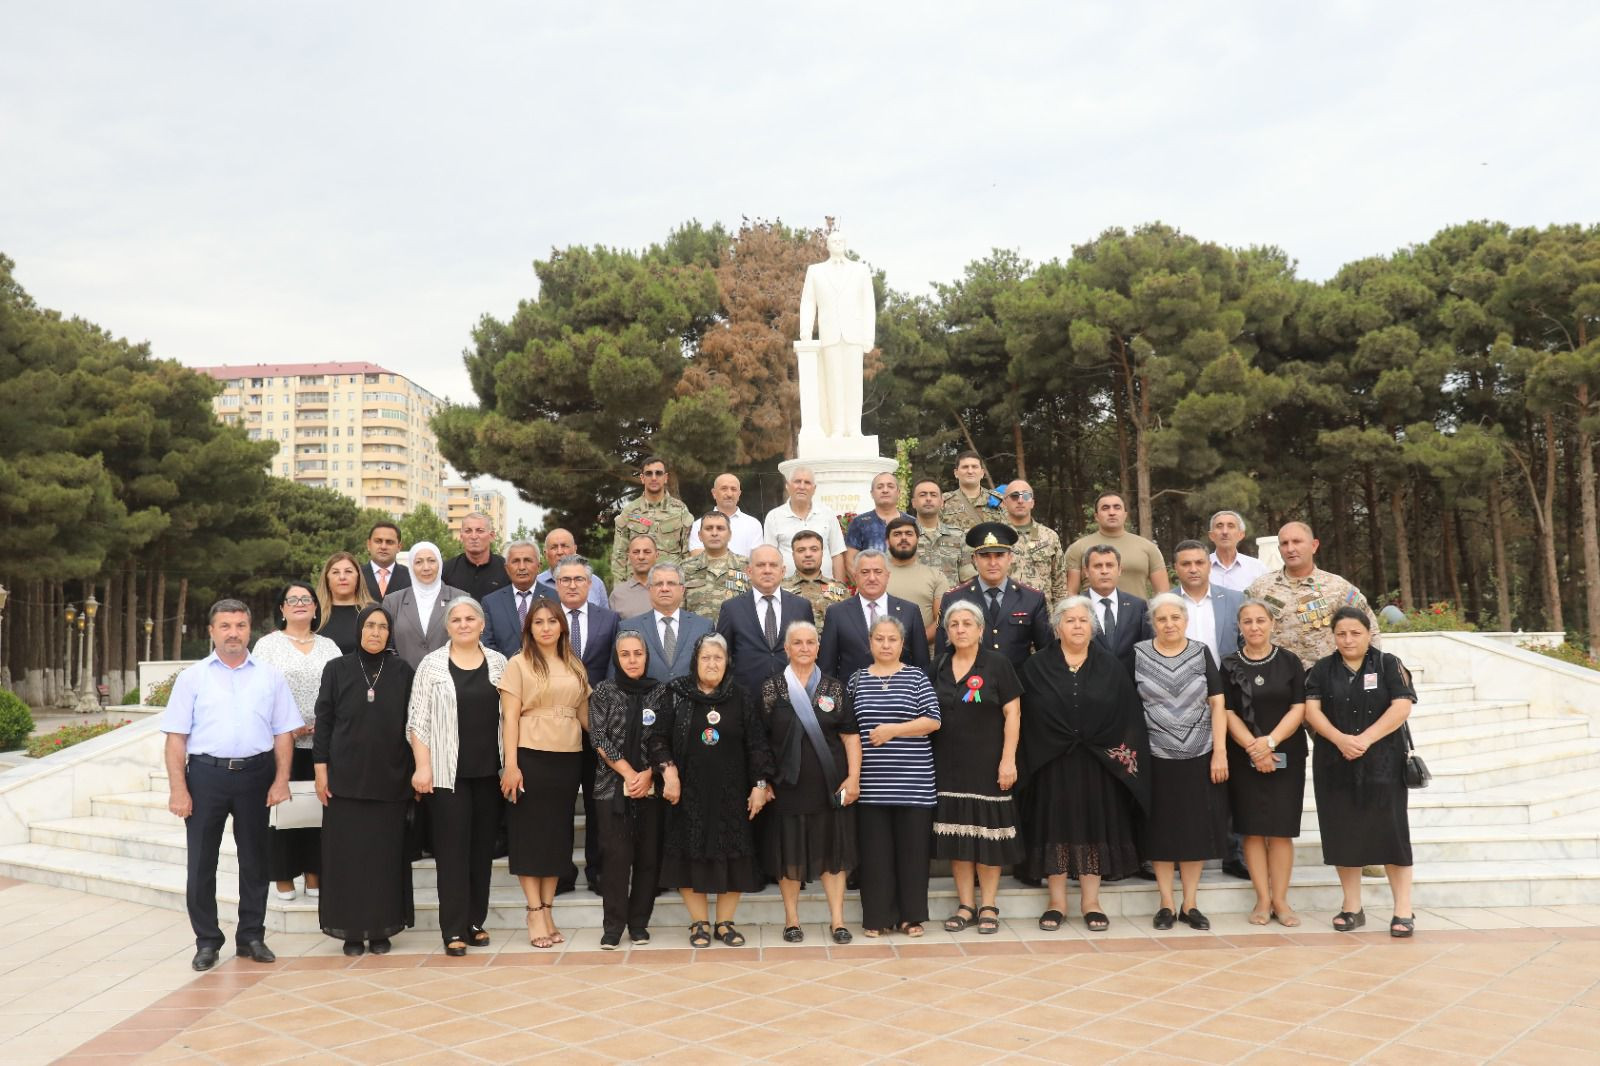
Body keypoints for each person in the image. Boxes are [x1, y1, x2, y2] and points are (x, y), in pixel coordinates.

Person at [160, 599, 300, 971]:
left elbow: (284, 733)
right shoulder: (193, 677)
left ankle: (251, 935)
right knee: (201, 863)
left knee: (255, 860)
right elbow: (176, 738)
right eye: (225, 626)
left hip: (257, 775)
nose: (233, 633)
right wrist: (179, 789)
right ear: (211, 631)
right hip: (206, 776)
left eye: (240, 625)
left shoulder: (269, 676)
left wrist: (281, 780)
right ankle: (207, 941)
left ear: (249, 628)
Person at [1019, 597, 1150, 933]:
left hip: (1098, 763)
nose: (1077, 626)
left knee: (1095, 828)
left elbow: (1126, 714)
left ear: (1093, 626)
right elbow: (1028, 716)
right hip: (1052, 762)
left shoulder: (1110, 666)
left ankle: (1091, 902)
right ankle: (1057, 901)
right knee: (1055, 828)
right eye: (1069, 620)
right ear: (1056, 627)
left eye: (1083, 620)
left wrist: (1105, 746)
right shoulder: (1036, 666)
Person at [648, 634, 776, 947]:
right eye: (706, 658)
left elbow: (758, 745)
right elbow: (657, 738)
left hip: (732, 793)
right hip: (687, 791)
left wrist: (760, 785)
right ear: (695, 661)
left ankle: (725, 923)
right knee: (689, 853)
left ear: (727, 662)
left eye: (718, 658)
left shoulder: (741, 696)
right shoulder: (676, 693)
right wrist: (668, 771)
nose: (712, 664)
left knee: (734, 855)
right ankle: (699, 923)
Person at [1303, 607, 1417, 937]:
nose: (1348, 639)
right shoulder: (1321, 670)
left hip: (1383, 761)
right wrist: (1340, 739)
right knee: (1344, 832)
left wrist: (1365, 739)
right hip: (1335, 761)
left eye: (1355, 633)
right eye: (1341, 634)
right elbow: (1312, 710)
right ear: (1333, 637)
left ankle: (1403, 910)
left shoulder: (1387, 664)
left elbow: (1402, 706)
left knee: (1392, 833)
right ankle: (1352, 906)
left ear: (1369, 634)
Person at [312, 605, 416, 956]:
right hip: (344, 781)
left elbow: (414, 725)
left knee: (385, 858)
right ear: (359, 630)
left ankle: (382, 928)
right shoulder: (337, 669)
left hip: (391, 779)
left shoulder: (402, 670)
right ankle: (352, 931)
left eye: (382, 627)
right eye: (369, 626)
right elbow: (323, 721)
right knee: (348, 859)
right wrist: (320, 770)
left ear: (390, 633)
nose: (375, 632)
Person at [407, 597, 507, 956]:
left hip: (488, 775)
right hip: (448, 776)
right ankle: (453, 928)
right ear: (447, 627)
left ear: (482, 624)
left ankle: (475, 920)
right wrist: (422, 766)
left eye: (470, 618)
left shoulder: (499, 663)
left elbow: (509, 718)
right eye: (456, 620)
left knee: (481, 853)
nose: (464, 624)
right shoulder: (431, 666)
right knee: (452, 854)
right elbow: (417, 722)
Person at [760, 621, 860, 944]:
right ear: (786, 649)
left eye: (810, 643)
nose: (804, 648)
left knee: (833, 855)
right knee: (789, 856)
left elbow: (850, 737)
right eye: (797, 643)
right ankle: (792, 921)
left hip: (829, 787)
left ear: (818, 648)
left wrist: (853, 777)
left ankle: (838, 921)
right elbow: (760, 742)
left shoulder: (835, 688)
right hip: (787, 787)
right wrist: (763, 781)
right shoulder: (772, 688)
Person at [498, 599, 590, 948]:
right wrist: (511, 764)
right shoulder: (518, 664)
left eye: (553, 621)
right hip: (530, 756)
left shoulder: (574, 664)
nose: (547, 627)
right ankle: (533, 911)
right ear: (529, 628)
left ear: (562, 627)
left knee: (556, 838)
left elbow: (585, 717)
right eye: (539, 622)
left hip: (567, 759)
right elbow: (509, 717)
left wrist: (614, 745)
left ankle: (548, 909)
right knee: (530, 836)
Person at [1134, 593, 1229, 931]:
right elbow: (1130, 707)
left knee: (1193, 831)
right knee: (1160, 831)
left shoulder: (1200, 652)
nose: (1169, 624)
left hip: (1199, 754)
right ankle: (1166, 903)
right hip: (1155, 757)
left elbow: (1218, 703)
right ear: (1153, 623)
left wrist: (1220, 751)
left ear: (1186, 620)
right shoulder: (1139, 654)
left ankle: (1190, 903)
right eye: (1162, 619)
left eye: (1175, 617)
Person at [931, 601, 1023, 935]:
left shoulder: (997, 664)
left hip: (988, 764)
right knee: (959, 836)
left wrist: (1008, 759)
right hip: (947, 766)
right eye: (953, 624)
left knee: (987, 838)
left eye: (967, 623)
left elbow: (1013, 713)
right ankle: (966, 904)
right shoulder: (938, 664)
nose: (960, 629)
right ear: (947, 632)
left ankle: (988, 905)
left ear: (981, 630)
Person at [250, 582, 342, 902]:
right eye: (293, 600)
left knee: (319, 806)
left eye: (307, 599)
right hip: (281, 742)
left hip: (323, 743)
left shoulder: (330, 646)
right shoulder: (266, 646)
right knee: (285, 807)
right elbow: (258, 694)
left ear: (316, 608)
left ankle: (315, 873)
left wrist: (324, 726)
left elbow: (341, 692)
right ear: (282, 609)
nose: (300, 603)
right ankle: (284, 875)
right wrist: (288, 726)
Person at [849, 616, 940, 936]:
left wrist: (893, 731)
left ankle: (910, 917)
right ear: (870, 642)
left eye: (892, 639)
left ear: (902, 644)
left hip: (913, 783)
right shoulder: (856, 680)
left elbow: (933, 720)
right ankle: (877, 918)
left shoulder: (916, 677)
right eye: (880, 639)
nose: (886, 645)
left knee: (913, 854)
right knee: (875, 856)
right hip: (872, 784)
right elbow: (849, 730)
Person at [1221, 600, 1308, 927]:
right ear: (1239, 627)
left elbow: (1298, 708)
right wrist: (1254, 748)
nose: (1254, 627)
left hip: (1287, 752)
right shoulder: (1228, 664)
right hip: (1244, 756)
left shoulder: (1289, 662)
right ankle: (1262, 899)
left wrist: (1269, 743)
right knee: (1253, 832)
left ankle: (1281, 901)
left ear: (1272, 623)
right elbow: (1227, 711)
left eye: (1260, 620)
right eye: (1247, 621)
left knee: (1281, 831)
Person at [1172, 538, 1247, 879]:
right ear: (1176, 568)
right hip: (1178, 704)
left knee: (1231, 775)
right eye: (1186, 563)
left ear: (1208, 565)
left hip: (1228, 700)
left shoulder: (1234, 600)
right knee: (1184, 782)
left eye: (1199, 562)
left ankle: (1234, 852)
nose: (1193, 569)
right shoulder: (1166, 604)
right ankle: (1182, 849)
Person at [588, 632, 667, 948]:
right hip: (611, 787)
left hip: (652, 787)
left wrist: (648, 775)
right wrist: (630, 774)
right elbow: (599, 737)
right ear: (616, 658)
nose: (632, 660)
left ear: (646, 657)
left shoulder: (660, 692)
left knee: (648, 858)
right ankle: (613, 927)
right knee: (616, 859)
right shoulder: (605, 691)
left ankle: (639, 924)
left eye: (638, 653)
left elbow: (664, 737)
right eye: (625, 654)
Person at [550, 556, 618, 894]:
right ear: (556, 584)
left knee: (597, 802)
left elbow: (612, 669)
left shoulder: (609, 619)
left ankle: (598, 871)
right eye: (566, 580)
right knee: (560, 803)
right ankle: (561, 872)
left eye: (579, 579)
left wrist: (602, 717)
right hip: (556, 725)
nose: (573, 585)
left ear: (590, 585)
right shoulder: (544, 621)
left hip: (597, 725)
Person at [1246, 522, 1380, 669]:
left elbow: (1370, 627)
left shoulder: (1338, 587)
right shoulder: (1260, 588)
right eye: (1284, 544)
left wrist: (1370, 669)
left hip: (1323, 679)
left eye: (1297, 541)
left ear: (1314, 546)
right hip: (1276, 678)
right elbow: (1243, 631)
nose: (1290, 549)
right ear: (1279, 549)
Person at [935, 523, 1051, 667]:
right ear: (974, 559)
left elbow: (1047, 653)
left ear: (1010, 558)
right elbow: (942, 656)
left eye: (999, 555)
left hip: (1019, 685)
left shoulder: (1032, 598)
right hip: (971, 685)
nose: (993, 562)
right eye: (985, 556)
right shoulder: (954, 598)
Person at [798, 230, 876, 439]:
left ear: (846, 243)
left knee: (854, 382)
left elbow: (868, 304)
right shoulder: (815, 271)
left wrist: (868, 336)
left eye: (841, 240)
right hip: (829, 334)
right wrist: (805, 329)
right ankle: (837, 429)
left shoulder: (860, 270)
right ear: (827, 245)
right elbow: (808, 301)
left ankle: (854, 428)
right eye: (834, 241)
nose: (838, 243)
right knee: (833, 382)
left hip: (854, 335)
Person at [716, 544, 815, 699]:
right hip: (745, 698)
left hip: (794, 697)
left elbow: (811, 652)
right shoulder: (731, 609)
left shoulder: (801, 607)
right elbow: (722, 655)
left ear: (782, 571)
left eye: (773, 565)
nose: (767, 570)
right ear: (749, 571)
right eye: (761, 565)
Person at [819, 550, 930, 682]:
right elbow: (827, 668)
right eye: (865, 572)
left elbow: (922, 664)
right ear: (855, 576)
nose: (872, 578)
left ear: (888, 576)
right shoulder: (836, 613)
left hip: (901, 697)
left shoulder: (910, 611)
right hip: (852, 698)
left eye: (878, 572)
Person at [617, 563, 713, 683]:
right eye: (658, 584)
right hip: (645, 700)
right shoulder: (629, 627)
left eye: (671, 583)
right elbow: (617, 677)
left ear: (682, 589)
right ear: (650, 589)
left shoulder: (703, 627)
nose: (664, 589)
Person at [1065, 491, 1170, 597]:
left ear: (1125, 514)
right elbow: (1070, 593)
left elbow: (1163, 594)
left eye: (1117, 507)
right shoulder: (1078, 548)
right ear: (1096, 516)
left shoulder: (1148, 547)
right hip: (1091, 612)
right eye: (1105, 508)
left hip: (1137, 613)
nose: (1111, 512)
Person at [382, 541, 466, 668]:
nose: (426, 567)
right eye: (419, 562)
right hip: (405, 680)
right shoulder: (392, 601)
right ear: (411, 566)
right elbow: (386, 645)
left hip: (451, 680)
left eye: (431, 560)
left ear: (440, 564)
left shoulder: (460, 599)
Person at [611, 455, 694, 578]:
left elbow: (688, 553)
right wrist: (620, 590)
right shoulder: (630, 511)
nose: (654, 478)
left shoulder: (680, 510)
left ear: (665, 478)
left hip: (669, 584)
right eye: (649, 473)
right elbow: (619, 554)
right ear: (642, 478)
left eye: (658, 473)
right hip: (637, 585)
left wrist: (685, 587)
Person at [764, 466, 847, 580]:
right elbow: (769, 557)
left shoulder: (827, 514)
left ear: (814, 488)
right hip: (788, 591)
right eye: (797, 482)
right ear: (788, 486)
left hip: (825, 591)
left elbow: (837, 554)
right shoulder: (773, 517)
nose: (802, 487)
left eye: (807, 483)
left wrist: (840, 591)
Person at [1082, 544, 1151, 672]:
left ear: (1119, 570)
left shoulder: (1138, 606)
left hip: (1128, 685)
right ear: (1086, 571)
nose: (1104, 571)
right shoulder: (1075, 607)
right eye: (1097, 566)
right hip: (1087, 685)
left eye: (1110, 565)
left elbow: (1148, 648)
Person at [999, 479, 1068, 604]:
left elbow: (1060, 585)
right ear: (1004, 503)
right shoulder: (995, 535)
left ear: (1032, 503)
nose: (1020, 501)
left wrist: (1060, 617)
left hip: (1042, 615)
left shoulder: (1050, 537)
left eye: (1026, 496)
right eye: (1014, 496)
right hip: (1004, 614)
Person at [884, 515, 949, 641]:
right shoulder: (874, 576)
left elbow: (941, 620)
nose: (903, 538)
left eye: (909, 534)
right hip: (881, 652)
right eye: (897, 534)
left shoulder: (936, 576)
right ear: (887, 541)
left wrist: (916, 643)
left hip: (924, 654)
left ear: (917, 539)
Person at [680, 511, 749, 624]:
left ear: (730, 535)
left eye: (720, 528)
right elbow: (679, 610)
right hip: (697, 638)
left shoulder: (747, 566)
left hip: (736, 638)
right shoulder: (685, 568)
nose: (714, 533)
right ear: (700, 535)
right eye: (709, 528)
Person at [481, 539, 542, 658]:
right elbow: (487, 643)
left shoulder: (555, 597)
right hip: (505, 672)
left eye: (528, 560)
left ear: (539, 566)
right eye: (515, 561)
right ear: (507, 568)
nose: (522, 567)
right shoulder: (491, 602)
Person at [780, 529, 850, 634]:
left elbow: (848, 627)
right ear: (793, 555)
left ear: (822, 553)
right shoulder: (780, 589)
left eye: (814, 549)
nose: (808, 554)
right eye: (801, 550)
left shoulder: (840, 589)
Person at [845, 472, 911, 574]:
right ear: (872, 493)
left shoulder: (911, 523)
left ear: (898, 492)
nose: (885, 490)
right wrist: (866, 586)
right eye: (880, 487)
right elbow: (850, 562)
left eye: (890, 486)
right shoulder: (859, 523)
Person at [910, 477, 973, 585]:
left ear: (942, 502)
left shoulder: (958, 536)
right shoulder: (904, 536)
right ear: (913, 503)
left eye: (933, 495)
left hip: (949, 600)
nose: (928, 499)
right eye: (922, 495)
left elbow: (968, 578)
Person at [688, 473, 764, 557]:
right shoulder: (699, 525)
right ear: (714, 493)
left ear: (739, 494)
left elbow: (757, 559)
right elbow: (697, 558)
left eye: (733, 489)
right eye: (724, 489)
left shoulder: (753, 524)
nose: (729, 494)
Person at [314, 551, 374, 654]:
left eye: (348, 571)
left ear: (358, 577)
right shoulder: (313, 613)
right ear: (326, 579)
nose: (342, 577)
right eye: (335, 572)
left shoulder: (374, 612)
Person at [441, 512, 509, 602]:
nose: (473, 536)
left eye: (480, 531)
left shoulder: (507, 569)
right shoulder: (446, 570)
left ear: (492, 536)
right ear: (461, 536)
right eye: (468, 531)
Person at [538, 528, 611, 608]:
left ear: (575, 549)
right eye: (554, 547)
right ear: (545, 554)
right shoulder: (535, 584)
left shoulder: (596, 583)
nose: (560, 552)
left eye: (564, 546)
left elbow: (604, 618)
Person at [940, 450, 1004, 531]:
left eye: (974, 467)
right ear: (956, 473)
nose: (970, 471)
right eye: (965, 467)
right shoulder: (943, 501)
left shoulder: (999, 500)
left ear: (982, 473)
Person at [1208, 510, 1268, 592]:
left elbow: (1267, 601)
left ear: (1241, 535)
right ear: (1211, 535)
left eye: (1231, 526)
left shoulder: (1257, 568)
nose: (1225, 532)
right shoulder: (1198, 567)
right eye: (1219, 526)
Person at [611, 534, 657, 618]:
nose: (641, 557)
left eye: (647, 552)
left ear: (657, 556)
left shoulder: (669, 589)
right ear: (629, 557)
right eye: (636, 552)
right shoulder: (618, 594)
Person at [363, 521, 412, 600]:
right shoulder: (357, 575)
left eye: (389, 542)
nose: (383, 546)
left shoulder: (411, 577)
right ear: (369, 545)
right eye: (378, 541)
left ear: (399, 547)